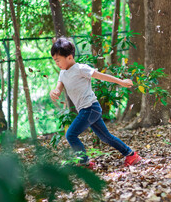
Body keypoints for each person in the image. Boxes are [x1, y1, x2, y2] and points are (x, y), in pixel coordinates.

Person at [49, 38, 141, 168]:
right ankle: (131, 155)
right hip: (87, 110)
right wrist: (54, 92)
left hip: (90, 108)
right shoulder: (63, 73)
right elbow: (59, 87)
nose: (57, 63)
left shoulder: (81, 69)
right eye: (55, 61)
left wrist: (121, 82)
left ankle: (84, 162)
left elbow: (101, 76)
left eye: (58, 60)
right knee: (106, 137)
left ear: (69, 57)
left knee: (70, 134)